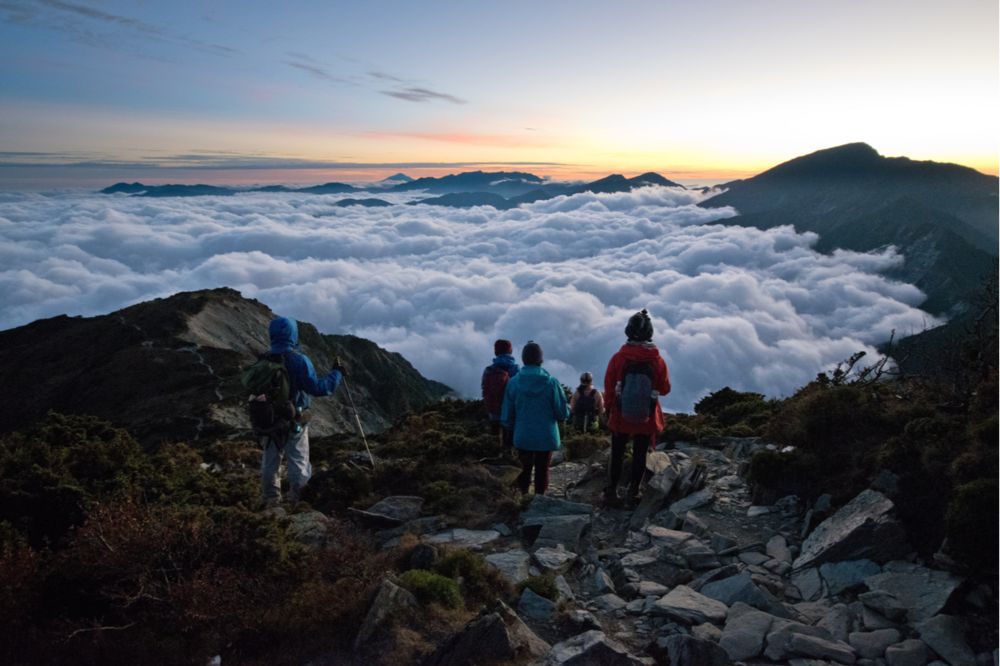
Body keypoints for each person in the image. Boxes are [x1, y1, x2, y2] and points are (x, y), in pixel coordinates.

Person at [261, 316, 344, 504]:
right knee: (298, 459)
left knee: (270, 460)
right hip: (294, 419)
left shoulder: (264, 359)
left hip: (268, 419)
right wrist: (337, 373)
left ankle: (270, 500)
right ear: (293, 334)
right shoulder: (299, 360)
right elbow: (319, 388)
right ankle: (299, 500)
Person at [603, 309, 671, 508]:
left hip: (620, 414)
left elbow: (608, 388)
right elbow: (665, 389)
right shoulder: (657, 360)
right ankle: (633, 492)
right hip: (647, 416)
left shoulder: (618, 358)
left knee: (617, 453)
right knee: (640, 454)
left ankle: (611, 492)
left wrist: (609, 410)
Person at [501, 341, 570, 496]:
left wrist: (510, 432)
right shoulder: (552, 383)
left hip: (523, 436)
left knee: (524, 470)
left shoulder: (513, 383)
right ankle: (540, 500)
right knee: (542, 470)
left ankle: (523, 498)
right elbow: (561, 414)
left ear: (524, 359)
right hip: (546, 437)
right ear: (541, 359)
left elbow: (507, 416)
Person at [482, 339, 519, 450]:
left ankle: (495, 455)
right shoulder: (515, 369)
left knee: (495, 437)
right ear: (510, 351)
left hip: (493, 410)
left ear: (495, 352)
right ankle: (509, 457)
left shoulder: (489, 370)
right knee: (509, 440)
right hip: (510, 412)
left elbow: (484, 388)